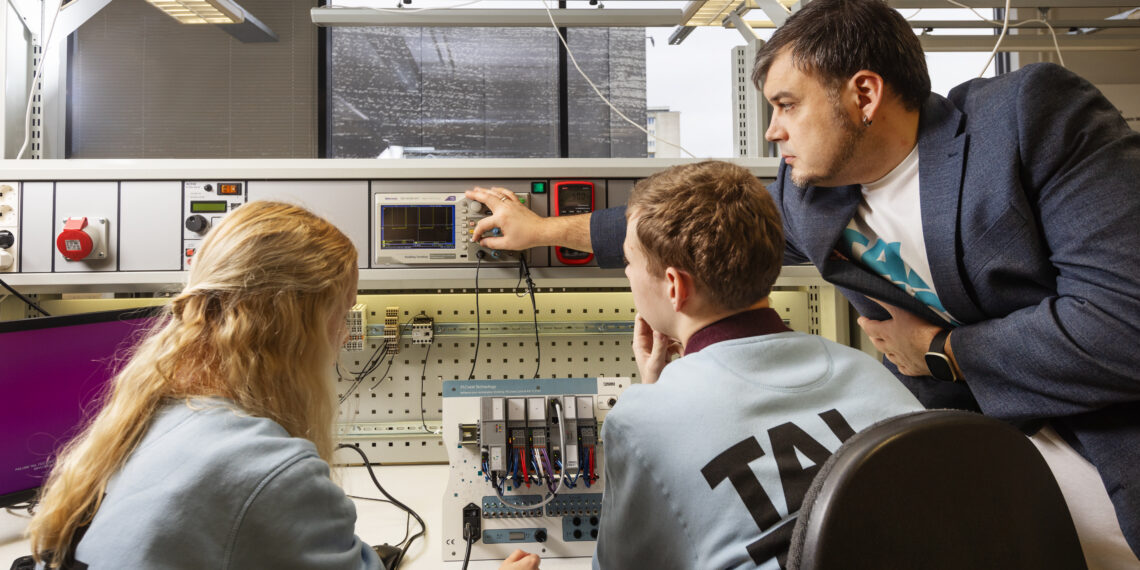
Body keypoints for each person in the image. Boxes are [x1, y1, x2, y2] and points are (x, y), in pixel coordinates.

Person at [466, 0, 1140, 564]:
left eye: (786, 104)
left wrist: (941, 351)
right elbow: (679, 233)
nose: (773, 130)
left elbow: (1124, 328)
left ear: (864, 94)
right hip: (961, 463)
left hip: (1111, 439)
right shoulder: (812, 194)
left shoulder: (1027, 119)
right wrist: (547, 232)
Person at [26, 201, 540, 570]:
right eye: (342, 314)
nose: (343, 336)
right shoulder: (272, 471)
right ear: (298, 328)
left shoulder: (152, 416)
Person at [590, 160, 923, 568]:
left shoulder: (639, 421)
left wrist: (653, 396)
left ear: (674, 287)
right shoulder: (869, 374)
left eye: (629, 261)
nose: (627, 272)